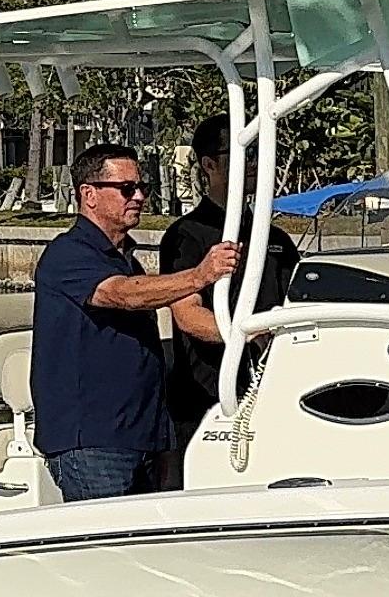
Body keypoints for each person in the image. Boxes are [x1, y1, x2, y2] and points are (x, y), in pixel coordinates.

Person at [30, 144, 238, 501]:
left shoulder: (127, 259)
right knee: (106, 534)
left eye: (143, 187)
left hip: (143, 437)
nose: (139, 197)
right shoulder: (68, 253)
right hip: (93, 442)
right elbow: (122, 294)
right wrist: (200, 275)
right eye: (127, 189)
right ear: (89, 194)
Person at [156, 114, 300, 453]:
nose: (253, 163)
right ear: (209, 165)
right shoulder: (185, 236)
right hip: (208, 398)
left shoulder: (275, 238)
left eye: (257, 153)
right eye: (242, 154)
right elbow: (188, 315)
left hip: (272, 391)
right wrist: (248, 333)